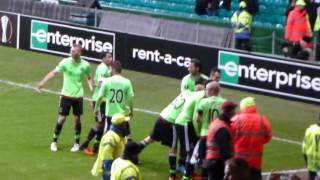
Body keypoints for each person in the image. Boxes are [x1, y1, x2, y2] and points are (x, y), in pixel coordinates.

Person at [36, 44, 93, 152]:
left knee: (77, 119)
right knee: (62, 118)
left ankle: (76, 143)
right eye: (71, 51)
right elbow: (53, 73)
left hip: (78, 96)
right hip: (65, 95)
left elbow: (89, 77)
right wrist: (43, 82)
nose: (71, 52)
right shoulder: (65, 62)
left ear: (80, 53)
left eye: (74, 51)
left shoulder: (85, 65)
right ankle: (54, 142)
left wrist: (91, 88)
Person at [138, 88, 200, 180]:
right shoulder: (194, 99)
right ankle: (172, 176)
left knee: (150, 139)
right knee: (173, 148)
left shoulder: (186, 92)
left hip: (163, 116)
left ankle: (132, 153)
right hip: (171, 121)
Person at [231, 97, 272, 180]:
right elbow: (268, 138)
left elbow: (229, 138)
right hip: (255, 163)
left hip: (239, 163)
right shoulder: (262, 120)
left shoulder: (236, 120)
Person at [81, 51, 113, 156]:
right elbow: (100, 85)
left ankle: (95, 146)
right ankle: (85, 144)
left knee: (102, 123)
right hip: (99, 100)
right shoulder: (102, 68)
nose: (111, 58)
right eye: (108, 57)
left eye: (111, 56)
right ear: (103, 58)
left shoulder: (108, 68)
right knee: (100, 123)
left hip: (103, 100)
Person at [94, 61, 134, 138]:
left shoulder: (106, 81)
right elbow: (130, 98)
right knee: (124, 137)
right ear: (121, 70)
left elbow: (99, 97)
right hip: (121, 114)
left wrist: (96, 109)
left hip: (110, 114)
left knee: (108, 137)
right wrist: (131, 111)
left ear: (112, 69)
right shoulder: (127, 82)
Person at [195, 81, 226, 179]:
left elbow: (198, 119)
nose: (205, 92)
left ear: (212, 91)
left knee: (204, 160)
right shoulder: (224, 103)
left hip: (205, 135)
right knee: (218, 158)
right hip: (218, 136)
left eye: (207, 90)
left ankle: (205, 177)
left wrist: (200, 130)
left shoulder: (203, 102)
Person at [91, 113, 130, 180]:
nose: (127, 125)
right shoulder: (110, 138)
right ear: (121, 125)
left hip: (119, 169)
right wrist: (112, 174)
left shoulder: (121, 135)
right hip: (111, 172)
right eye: (125, 123)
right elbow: (107, 159)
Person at [205, 101, 238, 180]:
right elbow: (224, 150)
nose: (235, 112)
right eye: (234, 110)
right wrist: (229, 165)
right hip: (217, 163)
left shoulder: (216, 122)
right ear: (230, 112)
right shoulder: (222, 128)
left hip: (211, 161)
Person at [302, 115, 320, 180]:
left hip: (311, 162)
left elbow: (304, 148)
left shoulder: (310, 129)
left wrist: (307, 161)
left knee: (312, 177)